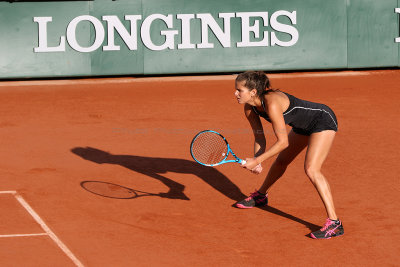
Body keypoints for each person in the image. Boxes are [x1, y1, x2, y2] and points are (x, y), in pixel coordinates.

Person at [234, 71, 343, 239]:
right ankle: (261, 196)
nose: (236, 93)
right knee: (281, 161)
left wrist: (257, 159)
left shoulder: (272, 103)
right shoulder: (249, 108)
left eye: (239, 90)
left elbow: (283, 142)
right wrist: (258, 161)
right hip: (302, 127)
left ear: (253, 92)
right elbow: (259, 137)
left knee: (311, 169)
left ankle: (335, 223)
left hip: (322, 121)